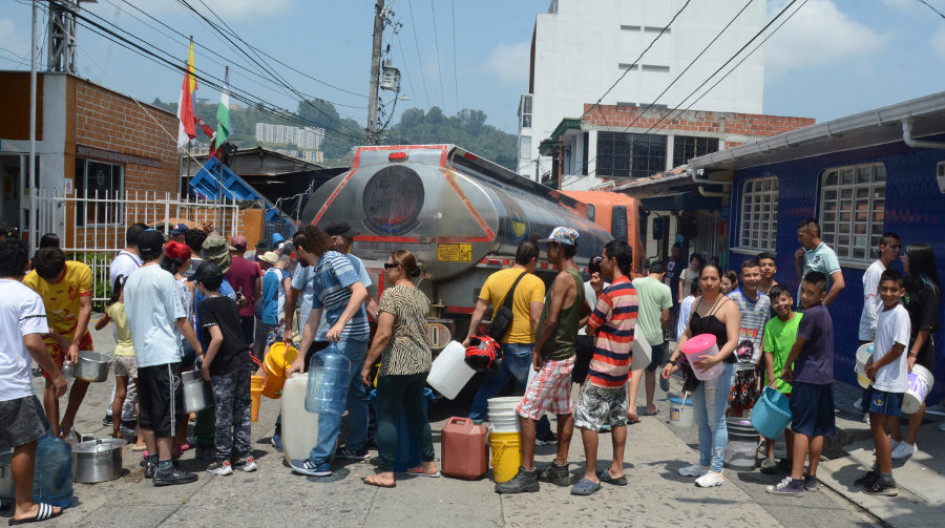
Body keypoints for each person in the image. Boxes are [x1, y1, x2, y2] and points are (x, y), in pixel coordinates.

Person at [496, 227, 585, 494]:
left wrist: (538, 349)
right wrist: (570, 332)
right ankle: (560, 468)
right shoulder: (577, 277)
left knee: (526, 411)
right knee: (563, 411)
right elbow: (587, 314)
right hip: (565, 355)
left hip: (555, 357)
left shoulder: (562, 279)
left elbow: (552, 320)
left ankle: (527, 474)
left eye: (550, 246)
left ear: (560, 247)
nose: (546, 251)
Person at [287, 226, 371, 477]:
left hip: (347, 338)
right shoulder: (319, 272)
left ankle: (321, 460)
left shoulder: (334, 260)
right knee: (355, 393)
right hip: (352, 338)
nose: (295, 256)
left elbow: (360, 291)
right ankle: (356, 447)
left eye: (295, 251)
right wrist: (301, 357)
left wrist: (340, 322)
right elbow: (312, 321)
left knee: (330, 398)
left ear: (302, 249)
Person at [124, 230, 204, 486]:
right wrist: (199, 348)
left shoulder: (132, 279)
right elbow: (179, 318)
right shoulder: (164, 278)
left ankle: (154, 463)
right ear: (161, 249)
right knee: (167, 412)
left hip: (143, 353)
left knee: (147, 411)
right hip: (164, 353)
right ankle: (166, 467)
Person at [0, 238, 67, 524]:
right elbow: (33, 342)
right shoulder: (26, 296)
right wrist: (55, 372)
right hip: (12, 384)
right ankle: (24, 505)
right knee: (25, 443)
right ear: (27, 266)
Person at [360, 250, 438, 488]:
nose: (386, 269)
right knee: (416, 413)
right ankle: (428, 463)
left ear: (400, 269)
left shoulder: (391, 295)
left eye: (389, 265)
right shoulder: (420, 296)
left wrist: (367, 364)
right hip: (421, 363)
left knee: (386, 417)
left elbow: (383, 334)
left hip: (398, 364)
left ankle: (386, 473)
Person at [463, 241, 554, 443]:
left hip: (498, 345)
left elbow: (479, 309)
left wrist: (469, 336)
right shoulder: (535, 282)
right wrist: (543, 345)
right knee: (534, 391)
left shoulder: (494, 277)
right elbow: (536, 318)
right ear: (532, 260)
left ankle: (473, 423)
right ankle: (543, 432)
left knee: (490, 386)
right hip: (523, 345)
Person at [662, 264, 740, 488]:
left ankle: (717, 470)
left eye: (713, 278)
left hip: (720, 368)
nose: (709, 283)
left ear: (720, 280)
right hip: (697, 369)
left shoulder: (729, 306)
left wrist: (716, 359)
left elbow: (733, 340)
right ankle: (704, 463)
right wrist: (672, 360)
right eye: (705, 278)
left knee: (717, 420)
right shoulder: (696, 302)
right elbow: (687, 333)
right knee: (702, 420)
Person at [571, 240, 638, 496]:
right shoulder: (631, 290)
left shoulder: (611, 293)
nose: (602, 262)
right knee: (618, 418)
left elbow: (591, 326)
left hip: (602, 368)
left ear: (614, 261)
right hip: (622, 369)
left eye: (604, 258)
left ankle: (590, 475)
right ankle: (616, 469)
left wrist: (599, 296)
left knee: (588, 420)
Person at [766, 271, 835, 495]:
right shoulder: (824, 312)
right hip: (824, 378)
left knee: (801, 428)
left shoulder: (810, 315)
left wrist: (786, 367)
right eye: (803, 291)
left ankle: (796, 480)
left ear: (822, 294)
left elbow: (798, 345)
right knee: (817, 429)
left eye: (811, 293)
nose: (804, 296)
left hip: (807, 378)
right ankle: (811, 478)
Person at [194, 262, 257, 475]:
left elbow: (217, 337)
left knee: (222, 412)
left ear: (201, 284)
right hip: (242, 359)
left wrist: (205, 363)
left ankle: (223, 460)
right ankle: (244, 456)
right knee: (242, 409)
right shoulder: (230, 302)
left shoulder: (205, 306)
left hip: (224, 364)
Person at [24, 248, 94, 439]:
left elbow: (85, 307)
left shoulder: (81, 271)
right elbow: (33, 322)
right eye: (46, 279)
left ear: (63, 267)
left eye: (54, 278)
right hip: (48, 334)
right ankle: (55, 435)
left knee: (86, 376)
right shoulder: (30, 282)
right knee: (52, 382)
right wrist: (61, 340)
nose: (50, 283)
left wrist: (75, 342)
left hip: (77, 331)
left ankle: (67, 422)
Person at [854, 269, 910, 496]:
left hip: (888, 383)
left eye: (893, 290)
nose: (888, 293)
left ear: (901, 291)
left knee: (878, 428)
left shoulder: (900, 314)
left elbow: (898, 348)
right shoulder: (884, 311)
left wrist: (877, 365)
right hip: (879, 380)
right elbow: (883, 343)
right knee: (876, 427)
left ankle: (887, 479)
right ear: (878, 290)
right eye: (884, 289)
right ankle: (879, 471)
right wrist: (871, 358)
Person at [889, 243, 942, 456]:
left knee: (915, 395)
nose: (902, 258)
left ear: (917, 260)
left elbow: (926, 326)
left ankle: (909, 442)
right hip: (898, 346)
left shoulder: (930, 290)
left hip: (916, 351)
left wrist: (912, 355)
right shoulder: (906, 283)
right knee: (892, 391)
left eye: (906, 256)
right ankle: (895, 438)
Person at [93, 275, 146, 450]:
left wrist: (110, 315)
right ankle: (140, 437)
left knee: (119, 395)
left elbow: (98, 326)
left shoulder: (113, 308)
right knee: (141, 397)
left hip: (119, 353)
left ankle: (116, 432)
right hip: (134, 354)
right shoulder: (138, 308)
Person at [104, 223, 147, 429]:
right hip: (128, 330)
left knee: (124, 384)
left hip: (122, 333)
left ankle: (117, 417)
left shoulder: (124, 260)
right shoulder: (127, 264)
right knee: (134, 386)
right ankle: (125, 418)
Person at [854, 233, 901, 416]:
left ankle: (869, 406)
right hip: (872, 332)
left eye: (898, 247)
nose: (897, 251)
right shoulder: (875, 271)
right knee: (870, 371)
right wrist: (875, 329)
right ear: (883, 248)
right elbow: (870, 301)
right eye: (893, 247)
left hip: (884, 330)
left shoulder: (888, 272)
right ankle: (868, 411)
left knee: (878, 370)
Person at [161, 240, 197, 453]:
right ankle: (181, 438)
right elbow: (187, 318)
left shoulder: (161, 282)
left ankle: (166, 440)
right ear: (187, 261)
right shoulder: (187, 286)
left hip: (165, 344)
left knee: (167, 395)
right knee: (185, 393)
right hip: (184, 343)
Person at [759, 285, 799, 474]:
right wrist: (772, 379)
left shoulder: (802, 320)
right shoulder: (771, 325)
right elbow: (768, 352)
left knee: (792, 424)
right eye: (775, 302)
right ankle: (770, 456)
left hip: (796, 382)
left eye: (783, 300)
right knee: (771, 423)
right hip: (776, 381)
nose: (780, 304)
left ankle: (791, 458)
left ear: (791, 300)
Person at [727, 260, 771, 417]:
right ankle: (727, 438)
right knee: (729, 406)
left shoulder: (766, 301)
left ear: (760, 276)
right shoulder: (732, 299)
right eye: (748, 275)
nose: (752, 278)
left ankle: (741, 439)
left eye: (755, 274)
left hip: (752, 365)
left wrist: (759, 353)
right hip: (731, 364)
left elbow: (767, 329)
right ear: (741, 277)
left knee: (747, 407)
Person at [629, 261, 672, 418]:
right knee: (650, 372)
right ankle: (648, 406)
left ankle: (631, 407)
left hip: (637, 334)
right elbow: (666, 316)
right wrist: (661, 329)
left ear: (649, 272)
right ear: (662, 274)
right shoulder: (664, 289)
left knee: (636, 370)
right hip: (655, 337)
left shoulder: (636, 283)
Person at [794, 218, 845, 307]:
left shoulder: (827, 254)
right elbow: (802, 282)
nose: (799, 240)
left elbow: (839, 284)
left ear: (813, 234)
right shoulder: (806, 252)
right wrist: (798, 263)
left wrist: (822, 306)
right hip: (801, 306)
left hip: (813, 309)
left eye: (801, 236)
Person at [225, 235, 262, 348]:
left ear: (231, 247)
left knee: (229, 345)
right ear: (246, 249)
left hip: (228, 311)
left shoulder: (225, 266)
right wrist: (251, 301)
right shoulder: (253, 266)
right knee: (245, 346)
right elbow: (258, 290)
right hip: (247, 311)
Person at [574, 256, 605, 386]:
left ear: (588, 269)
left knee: (577, 378)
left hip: (580, 337)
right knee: (590, 380)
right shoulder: (609, 288)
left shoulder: (580, 287)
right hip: (598, 339)